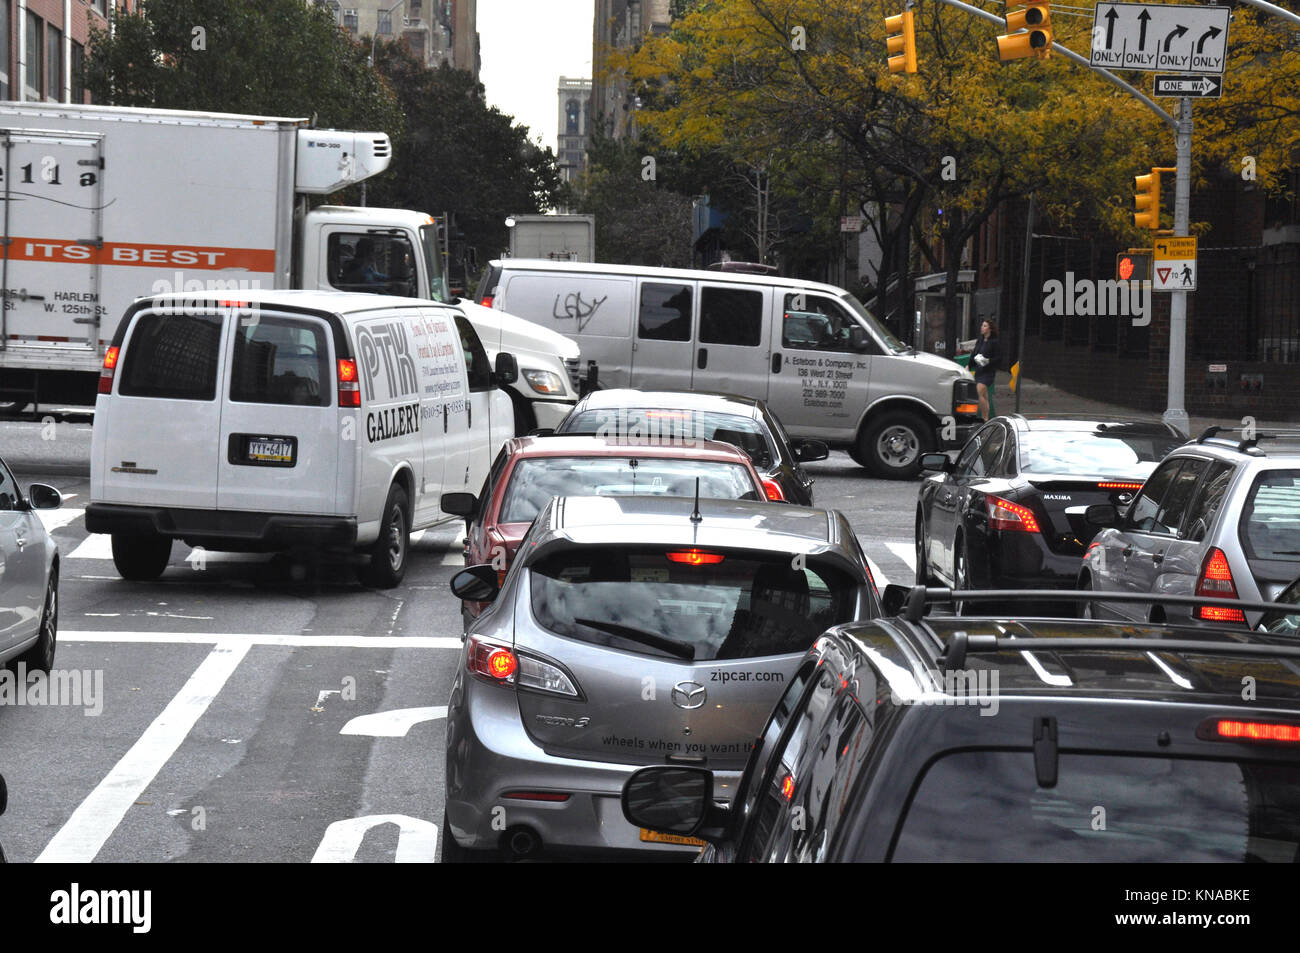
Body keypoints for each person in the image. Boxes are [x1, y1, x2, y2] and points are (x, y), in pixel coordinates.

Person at [970, 319, 999, 420]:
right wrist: (969, 365)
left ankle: (984, 418)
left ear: (990, 329)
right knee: (984, 396)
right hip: (979, 371)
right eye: (982, 325)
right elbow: (974, 353)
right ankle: (986, 418)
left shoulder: (994, 342)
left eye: (985, 326)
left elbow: (999, 358)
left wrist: (988, 361)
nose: (982, 327)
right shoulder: (980, 340)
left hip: (988, 372)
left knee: (978, 392)